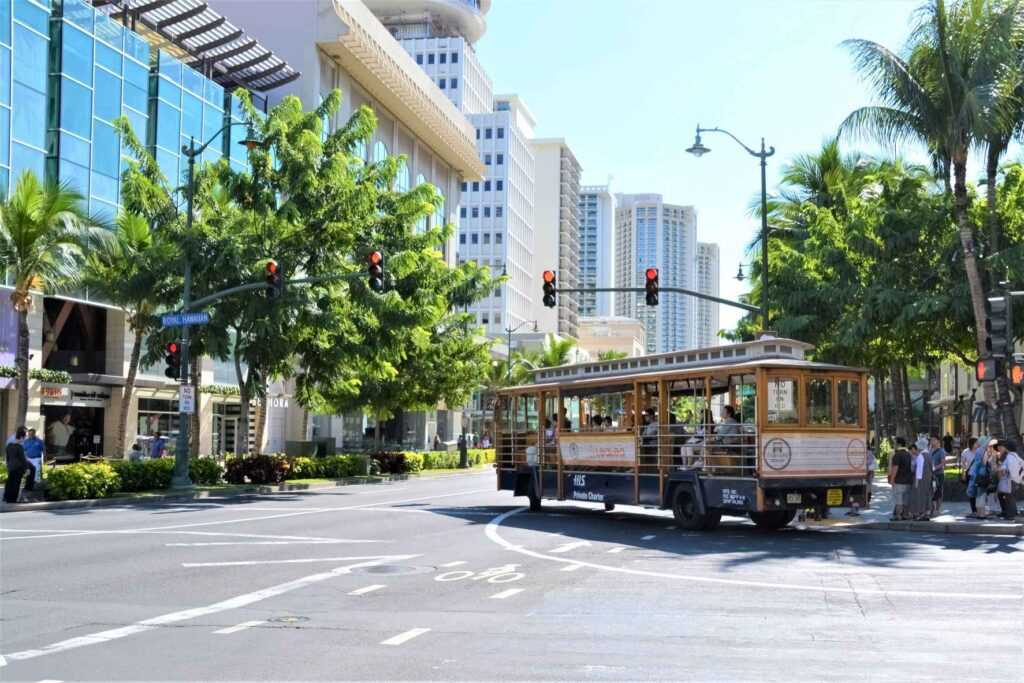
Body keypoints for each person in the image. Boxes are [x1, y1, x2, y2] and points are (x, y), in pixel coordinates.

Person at [4, 427, 32, 504]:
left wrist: (8, 465)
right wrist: (27, 468)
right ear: (22, 437)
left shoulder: (9, 445)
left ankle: (7, 498)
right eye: (24, 437)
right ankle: (13, 499)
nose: (24, 439)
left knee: (10, 482)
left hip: (11, 467)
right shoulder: (19, 447)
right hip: (18, 468)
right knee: (16, 483)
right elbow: (23, 459)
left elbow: (8, 457)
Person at [888, 437, 914, 521]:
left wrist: (892, 479)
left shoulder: (897, 455)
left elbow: (895, 468)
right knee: (906, 500)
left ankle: (898, 516)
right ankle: (905, 515)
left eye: (895, 443)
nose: (893, 445)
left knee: (898, 500)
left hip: (899, 481)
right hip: (908, 481)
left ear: (899, 444)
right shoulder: (908, 454)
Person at [995, 440, 1021, 521]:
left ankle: (1010, 515)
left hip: (1010, 479)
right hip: (1013, 479)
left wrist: (1001, 470)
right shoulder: (1015, 456)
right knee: (1008, 497)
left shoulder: (1010, 456)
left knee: (1009, 497)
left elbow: (1007, 468)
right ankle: (1010, 513)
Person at [908, 443, 932, 521]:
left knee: (920, 496)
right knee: (927, 495)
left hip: (921, 480)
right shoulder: (929, 455)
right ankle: (927, 513)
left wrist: (916, 482)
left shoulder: (921, 456)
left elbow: (919, 470)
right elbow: (933, 467)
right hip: (928, 479)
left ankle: (921, 514)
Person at [929, 435, 947, 516]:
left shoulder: (941, 451)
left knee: (939, 492)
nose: (932, 442)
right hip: (931, 474)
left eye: (933, 440)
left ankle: (937, 509)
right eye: (931, 440)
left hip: (939, 474)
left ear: (938, 441)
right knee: (931, 491)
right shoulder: (929, 450)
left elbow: (943, 463)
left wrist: (934, 468)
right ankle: (932, 509)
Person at [961, 437, 979, 516]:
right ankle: (974, 510)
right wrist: (963, 473)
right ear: (972, 443)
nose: (978, 444)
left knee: (979, 492)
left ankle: (979, 509)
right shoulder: (966, 452)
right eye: (976, 443)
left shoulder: (980, 451)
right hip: (970, 474)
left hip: (979, 474)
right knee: (971, 492)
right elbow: (963, 463)